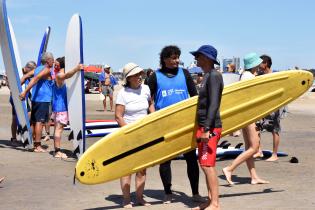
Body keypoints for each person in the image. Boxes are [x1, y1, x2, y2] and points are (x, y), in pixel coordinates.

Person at [147, 45, 202, 204]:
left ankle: (196, 192)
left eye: (178, 57)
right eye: (173, 58)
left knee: (191, 159)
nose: (177, 60)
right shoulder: (155, 77)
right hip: (164, 124)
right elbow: (147, 99)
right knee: (165, 160)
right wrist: (153, 114)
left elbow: (194, 96)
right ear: (165, 59)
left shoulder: (184, 73)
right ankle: (168, 192)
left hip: (186, 123)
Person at [222, 53, 269, 185]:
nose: (260, 65)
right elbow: (250, 97)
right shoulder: (249, 77)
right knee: (254, 148)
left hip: (245, 114)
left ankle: (254, 177)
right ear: (254, 64)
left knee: (249, 147)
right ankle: (229, 168)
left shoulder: (245, 75)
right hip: (249, 115)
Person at [115, 62, 155, 208]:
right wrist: (130, 132)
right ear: (129, 77)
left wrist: (154, 117)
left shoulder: (145, 88)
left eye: (140, 74)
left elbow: (150, 104)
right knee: (127, 169)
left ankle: (139, 198)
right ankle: (126, 199)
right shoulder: (123, 93)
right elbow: (118, 116)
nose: (140, 76)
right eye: (137, 75)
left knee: (142, 168)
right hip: (128, 135)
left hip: (144, 134)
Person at [190, 45, 223, 210]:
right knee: (204, 164)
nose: (196, 59)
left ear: (207, 58)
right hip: (204, 125)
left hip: (210, 127)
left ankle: (215, 203)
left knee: (207, 165)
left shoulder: (214, 76)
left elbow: (214, 104)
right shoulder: (207, 76)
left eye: (199, 56)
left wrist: (207, 129)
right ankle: (210, 200)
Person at [19, 52, 54, 152]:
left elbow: (25, 77)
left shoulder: (37, 69)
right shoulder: (46, 69)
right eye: (52, 59)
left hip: (35, 99)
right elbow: (35, 79)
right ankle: (37, 146)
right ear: (48, 61)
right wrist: (24, 92)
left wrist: (16, 90)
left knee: (34, 122)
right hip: (42, 99)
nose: (54, 61)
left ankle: (33, 142)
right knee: (39, 122)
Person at [51, 57, 83, 159]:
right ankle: (57, 152)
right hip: (61, 108)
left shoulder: (58, 75)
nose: (55, 66)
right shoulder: (59, 75)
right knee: (59, 129)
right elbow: (66, 75)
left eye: (56, 64)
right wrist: (76, 69)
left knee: (57, 129)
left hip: (59, 107)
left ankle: (57, 150)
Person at [254, 55, 281, 161]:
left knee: (275, 130)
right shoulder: (259, 75)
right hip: (262, 106)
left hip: (273, 106)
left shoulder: (275, 76)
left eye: (259, 63)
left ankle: (275, 155)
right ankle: (259, 151)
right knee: (257, 127)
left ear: (265, 64)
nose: (258, 65)